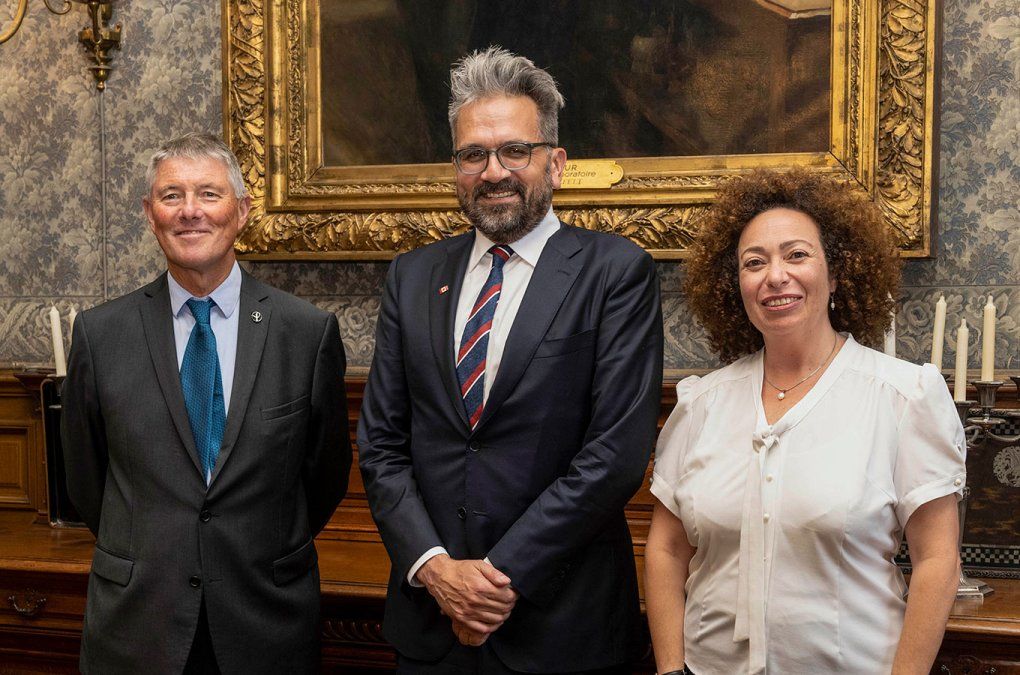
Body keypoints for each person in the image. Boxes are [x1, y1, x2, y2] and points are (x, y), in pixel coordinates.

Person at [358, 47, 663, 674]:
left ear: (555, 163)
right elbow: (382, 445)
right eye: (474, 154)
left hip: (559, 623)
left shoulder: (614, 273)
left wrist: (495, 580)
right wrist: (435, 569)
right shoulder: (412, 276)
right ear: (456, 167)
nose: (493, 171)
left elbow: (614, 456)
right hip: (430, 622)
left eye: (514, 151)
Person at [645, 168, 966, 675]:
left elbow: (938, 563)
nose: (776, 276)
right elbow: (665, 548)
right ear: (737, 285)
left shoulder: (904, 398)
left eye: (797, 255)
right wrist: (669, 669)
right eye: (755, 263)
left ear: (836, 274)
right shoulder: (700, 404)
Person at [61, 132, 351, 674]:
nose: (190, 211)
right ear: (151, 214)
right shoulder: (101, 336)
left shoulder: (305, 333)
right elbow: (86, 478)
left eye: (209, 195)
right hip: (138, 624)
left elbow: (325, 475)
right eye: (172, 196)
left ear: (241, 211)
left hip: (265, 619)